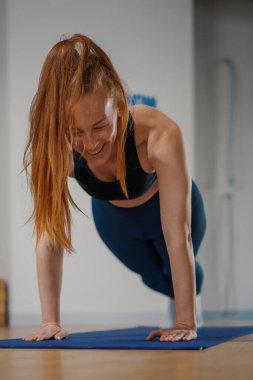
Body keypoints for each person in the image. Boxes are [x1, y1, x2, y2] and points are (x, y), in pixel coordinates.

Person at [21, 34, 206, 343]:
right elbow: (49, 234)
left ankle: (188, 300)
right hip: (115, 219)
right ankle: (177, 294)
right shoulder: (56, 148)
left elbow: (178, 232)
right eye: (75, 132)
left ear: (119, 104)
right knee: (153, 277)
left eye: (100, 126)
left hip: (172, 205)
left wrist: (185, 323)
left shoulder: (160, 133)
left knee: (178, 263)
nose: (91, 144)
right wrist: (49, 321)